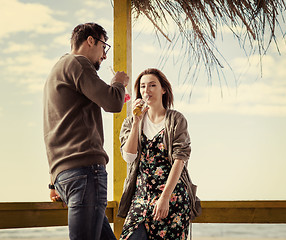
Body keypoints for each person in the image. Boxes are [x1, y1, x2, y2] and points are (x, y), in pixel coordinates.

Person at [43, 22, 129, 240]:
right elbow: (112, 103)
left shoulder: (58, 69)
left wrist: (54, 181)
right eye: (104, 47)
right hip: (85, 172)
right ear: (90, 40)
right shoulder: (79, 63)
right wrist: (118, 83)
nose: (104, 56)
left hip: (65, 175)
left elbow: (55, 126)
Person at [118, 68, 192, 240]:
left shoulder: (176, 120)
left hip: (172, 197)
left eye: (152, 85)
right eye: (143, 86)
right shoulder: (130, 122)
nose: (147, 90)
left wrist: (165, 197)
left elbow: (180, 160)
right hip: (140, 198)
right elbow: (128, 157)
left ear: (163, 89)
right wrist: (136, 122)